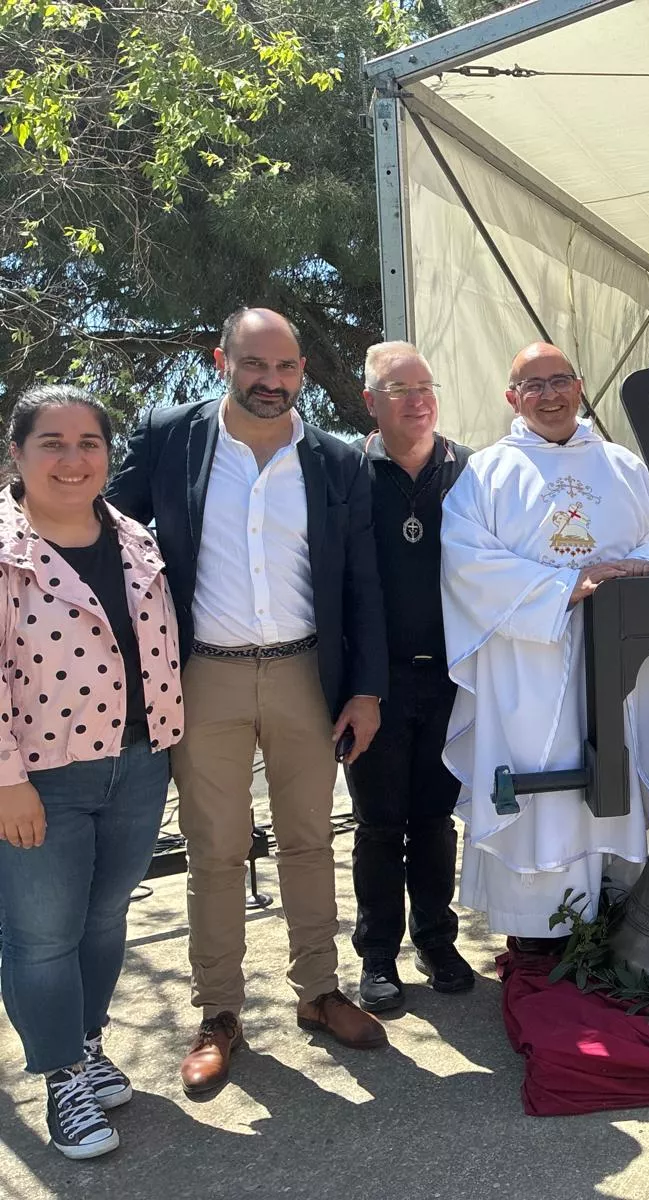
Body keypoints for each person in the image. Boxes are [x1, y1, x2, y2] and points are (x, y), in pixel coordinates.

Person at [107, 307, 389, 1097]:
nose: (272, 382)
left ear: (302, 371)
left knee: (308, 839)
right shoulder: (171, 434)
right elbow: (106, 530)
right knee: (216, 849)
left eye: (287, 368)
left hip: (308, 674)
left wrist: (366, 689)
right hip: (205, 675)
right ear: (220, 359)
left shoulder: (334, 459)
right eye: (255, 365)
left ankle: (319, 992)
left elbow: (360, 581)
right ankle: (221, 1014)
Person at [440, 342, 649, 945]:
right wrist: (567, 585)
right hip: (530, 660)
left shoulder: (624, 465)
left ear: (579, 386)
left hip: (618, 654)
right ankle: (542, 930)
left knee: (619, 764)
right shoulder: (486, 472)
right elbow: (466, 561)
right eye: (533, 385)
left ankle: (622, 909)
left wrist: (636, 572)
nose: (548, 396)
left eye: (559, 381)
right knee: (539, 778)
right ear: (511, 398)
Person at [0, 385, 184, 1159]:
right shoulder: (5, 550)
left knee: (106, 918)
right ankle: (61, 1076)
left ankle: (85, 1039)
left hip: (140, 762)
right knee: (43, 937)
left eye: (89, 443)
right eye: (53, 442)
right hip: (41, 777)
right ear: (17, 453)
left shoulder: (135, 537)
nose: (73, 459)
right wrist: (6, 781)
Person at [349, 342, 474, 1013]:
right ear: (372, 402)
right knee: (377, 824)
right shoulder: (347, 473)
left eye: (426, 385)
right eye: (400, 389)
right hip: (376, 687)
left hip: (453, 678)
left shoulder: (471, 472)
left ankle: (436, 940)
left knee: (434, 820)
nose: (418, 399)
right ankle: (377, 955)